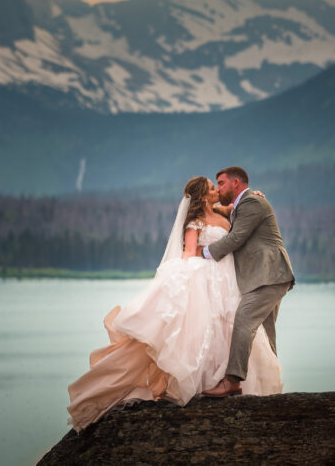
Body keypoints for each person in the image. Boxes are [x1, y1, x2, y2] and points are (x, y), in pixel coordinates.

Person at [66, 175, 282, 431]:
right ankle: (207, 384)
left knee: (233, 325)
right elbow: (189, 253)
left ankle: (232, 382)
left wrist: (253, 196)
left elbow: (238, 217)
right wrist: (181, 277)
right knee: (206, 328)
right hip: (207, 279)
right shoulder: (195, 223)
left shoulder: (223, 216)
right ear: (202, 196)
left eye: (217, 186)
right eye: (212, 188)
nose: (216, 191)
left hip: (229, 281)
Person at [201, 166, 295, 398]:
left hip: (269, 274)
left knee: (243, 319)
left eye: (221, 183)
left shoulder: (252, 203)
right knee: (265, 330)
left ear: (236, 183)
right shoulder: (243, 204)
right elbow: (216, 209)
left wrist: (202, 252)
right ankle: (271, 387)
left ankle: (232, 381)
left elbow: (236, 237)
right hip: (267, 276)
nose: (219, 188)